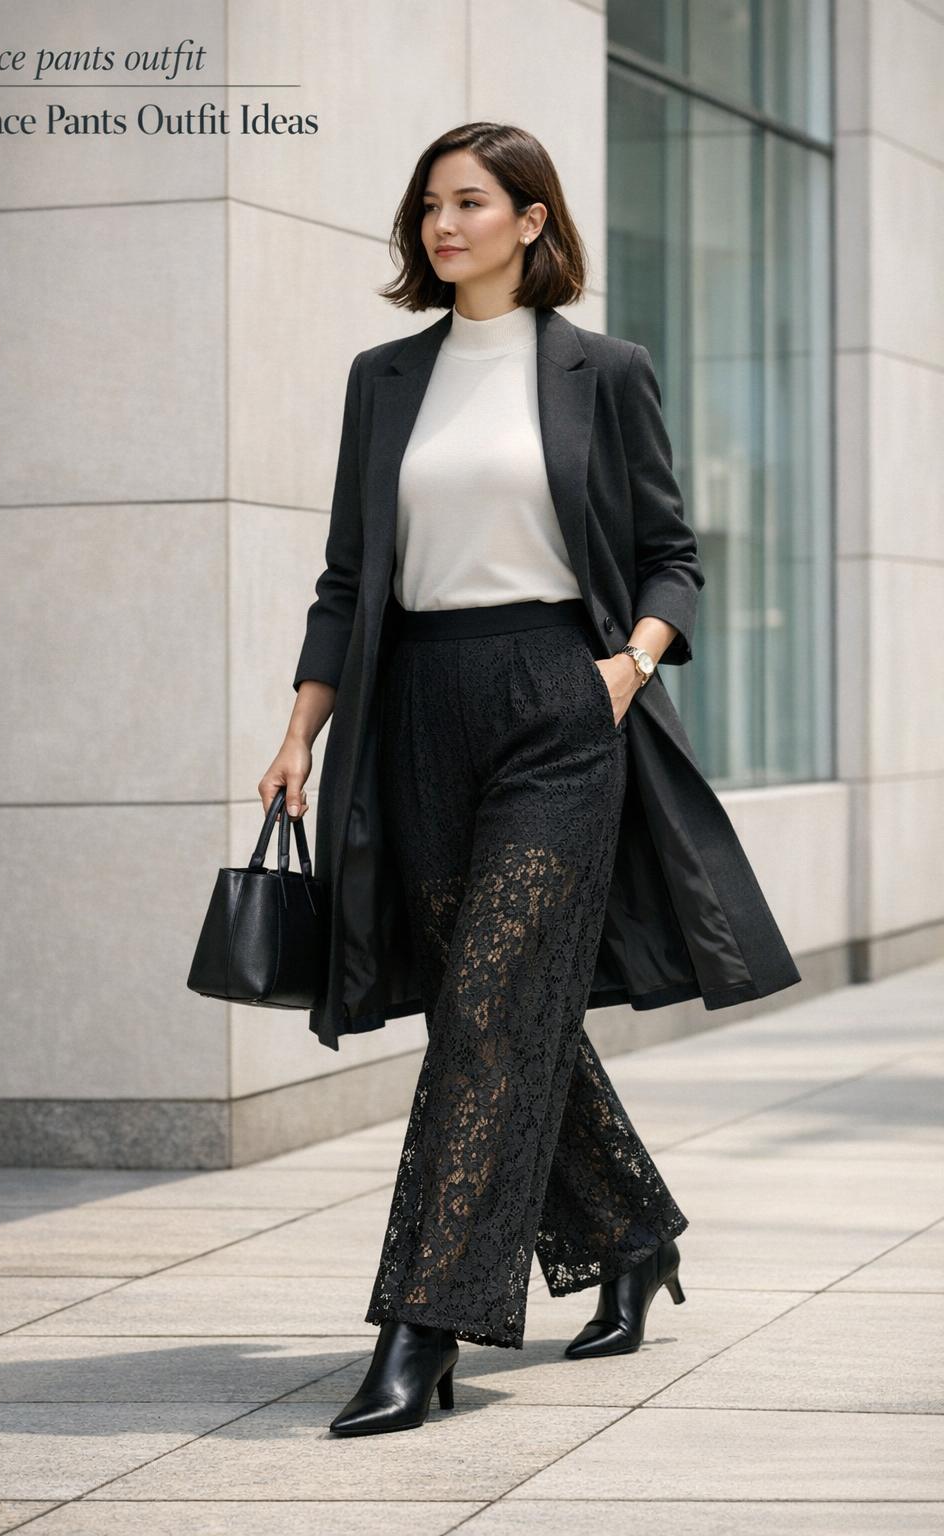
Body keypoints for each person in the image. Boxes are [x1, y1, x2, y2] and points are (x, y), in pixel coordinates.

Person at [258, 121, 798, 1437]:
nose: (443, 225)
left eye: (471, 202)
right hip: (413, 717)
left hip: (560, 706)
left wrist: (627, 667)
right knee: (494, 1013)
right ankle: (631, 1236)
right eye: (428, 204)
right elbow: (347, 578)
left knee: (494, 1011)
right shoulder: (384, 379)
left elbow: (672, 554)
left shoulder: (602, 373)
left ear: (532, 221)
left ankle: (420, 1329)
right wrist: (300, 732)